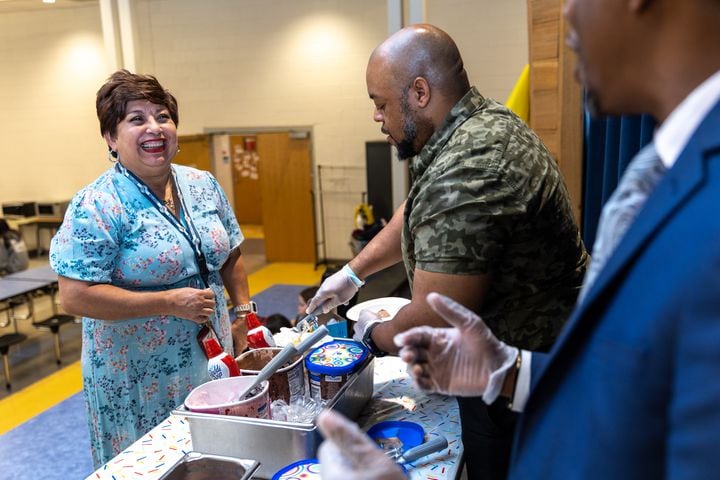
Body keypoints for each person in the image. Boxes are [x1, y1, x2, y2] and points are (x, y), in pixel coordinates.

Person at [319, 0, 720, 477]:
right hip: (527, 380)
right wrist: (511, 373)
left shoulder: (475, 157)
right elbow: (635, 377)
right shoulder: (667, 166)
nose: (567, 14)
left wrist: (368, 326)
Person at [307, 23, 588, 479]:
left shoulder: (472, 163)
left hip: (517, 387)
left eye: (380, 104)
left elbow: (436, 316)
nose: (377, 117)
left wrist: (369, 336)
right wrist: (353, 274)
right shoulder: (471, 129)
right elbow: (416, 211)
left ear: (419, 91)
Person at [49, 70, 255, 468]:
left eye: (162, 116)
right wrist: (166, 302)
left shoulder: (202, 184)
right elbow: (74, 295)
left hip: (210, 357)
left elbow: (230, 252)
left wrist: (245, 312)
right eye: (137, 119)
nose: (154, 128)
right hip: (138, 375)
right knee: (157, 467)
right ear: (111, 137)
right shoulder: (97, 204)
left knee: (218, 458)